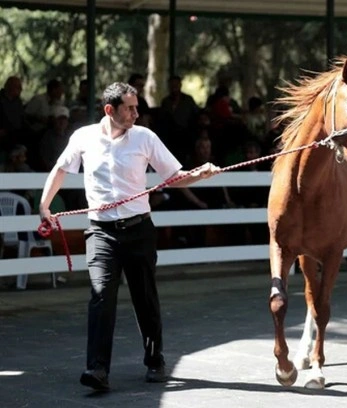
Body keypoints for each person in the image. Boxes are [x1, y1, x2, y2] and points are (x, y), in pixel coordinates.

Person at [37, 82, 220, 392]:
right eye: (131, 108)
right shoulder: (83, 138)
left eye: (137, 107)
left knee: (145, 297)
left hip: (139, 230)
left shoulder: (145, 137)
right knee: (100, 296)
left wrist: (199, 174)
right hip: (101, 232)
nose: (137, 113)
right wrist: (44, 205)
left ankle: (155, 360)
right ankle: (97, 369)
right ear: (110, 110)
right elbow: (60, 169)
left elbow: (173, 177)